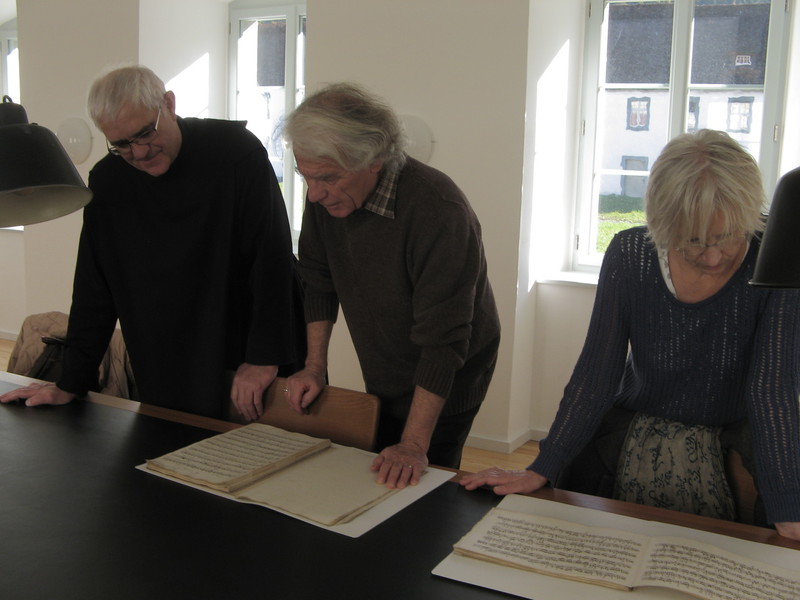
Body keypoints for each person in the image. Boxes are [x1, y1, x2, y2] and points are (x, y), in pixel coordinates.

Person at [462, 129, 800, 542]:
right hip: (633, 416)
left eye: (727, 237)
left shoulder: (775, 257)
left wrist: (788, 507)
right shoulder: (630, 254)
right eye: (693, 241)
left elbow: (772, 388)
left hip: (737, 427)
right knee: (577, 527)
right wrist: (542, 465)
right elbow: (596, 374)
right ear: (662, 224)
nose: (713, 257)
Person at [0, 65, 304, 420]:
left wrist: (263, 357)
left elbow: (272, 259)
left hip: (247, 352)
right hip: (165, 358)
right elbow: (94, 289)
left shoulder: (236, 154)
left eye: (145, 133)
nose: (140, 152)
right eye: (122, 144)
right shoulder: (110, 181)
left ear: (169, 105)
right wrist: (70, 382)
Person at [282, 83, 501, 489]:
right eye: (305, 177)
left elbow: (443, 342)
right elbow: (318, 281)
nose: (314, 195)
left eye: (327, 178)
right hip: (386, 361)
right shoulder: (328, 197)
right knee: (380, 471)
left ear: (374, 159)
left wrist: (414, 443)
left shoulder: (439, 210)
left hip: (450, 370)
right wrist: (314, 367)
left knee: (421, 479)